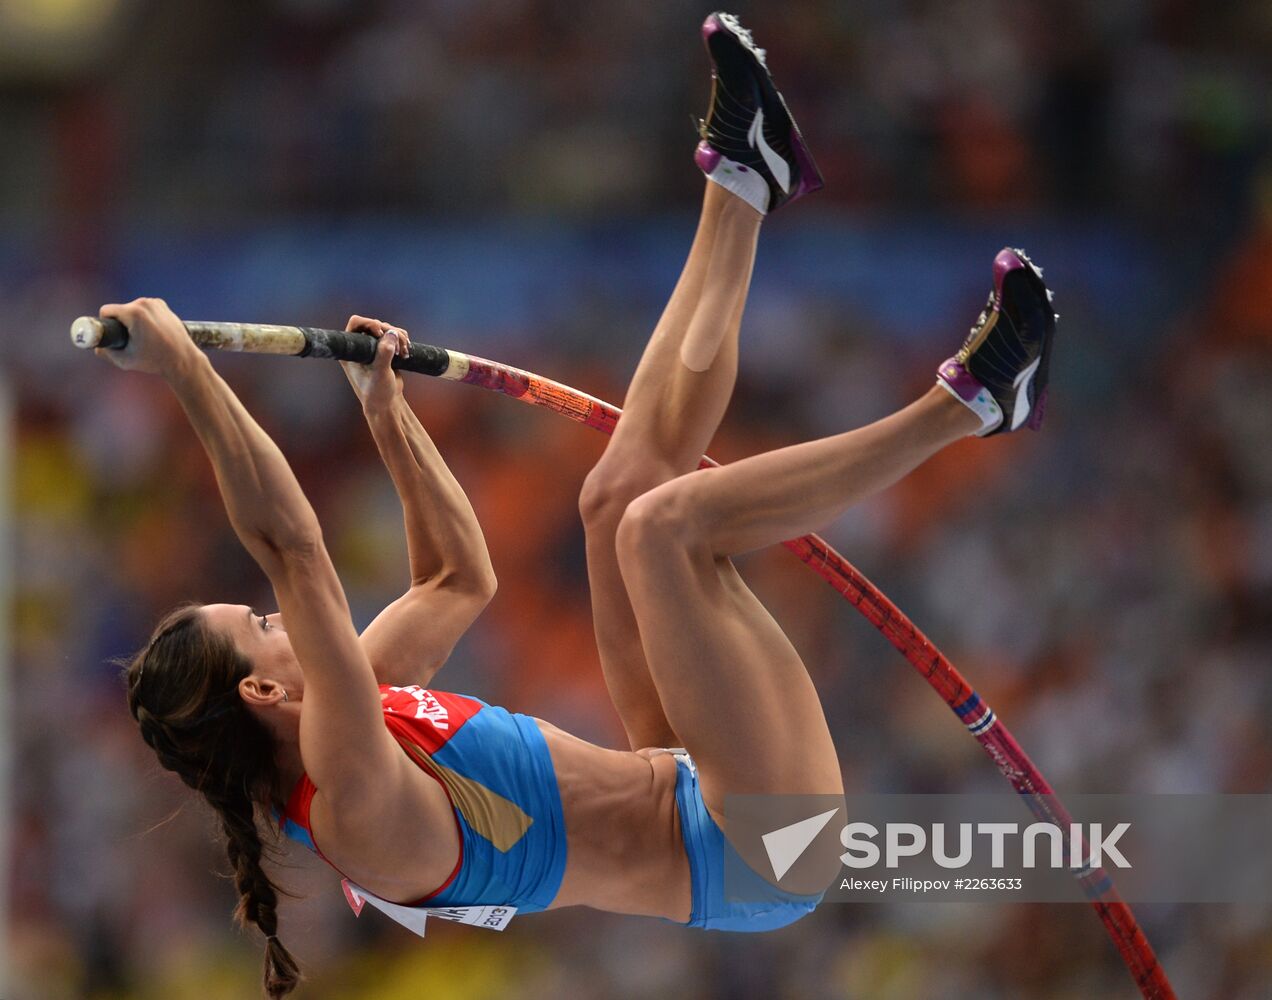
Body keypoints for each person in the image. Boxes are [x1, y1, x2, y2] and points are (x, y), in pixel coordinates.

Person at [109, 12, 1055, 998]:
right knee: (666, 529)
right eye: (257, 626)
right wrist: (186, 371)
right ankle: (974, 405)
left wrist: (389, 417)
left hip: (691, 775)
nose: (278, 617)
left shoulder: (360, 697)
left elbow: (455, 578)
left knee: (617, 496)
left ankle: (743, 176)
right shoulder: (349, 792)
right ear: (260, 692)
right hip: (764, 848)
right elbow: (291, 547)